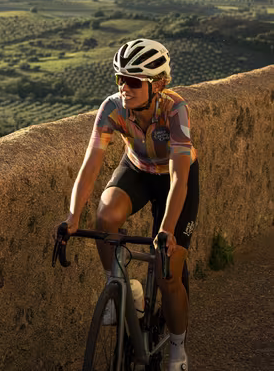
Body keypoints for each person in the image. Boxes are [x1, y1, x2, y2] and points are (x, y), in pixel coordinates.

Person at [64, 38, 199, 371]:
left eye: (134, 81)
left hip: (175, 178)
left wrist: (167, 229)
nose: (125, 87)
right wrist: (71, 216)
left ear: (158, 83)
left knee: (169, 275)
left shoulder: (175, 108)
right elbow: (91, 164)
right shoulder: (112, 107)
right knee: (105, 215)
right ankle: (123, 286)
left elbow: (180, 179)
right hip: (137, 169)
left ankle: (178, 350)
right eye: (120, 79)